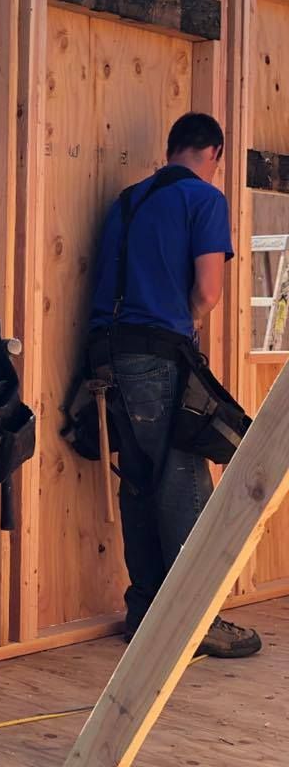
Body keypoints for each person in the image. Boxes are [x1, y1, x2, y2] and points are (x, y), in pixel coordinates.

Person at [86, 112, 261, 659]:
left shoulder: (129, 200)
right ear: (214, 152)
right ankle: (194, 620)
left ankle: (146, 612)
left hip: (106, 355)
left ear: (171, 148)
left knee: (139, 480)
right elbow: (207, 291)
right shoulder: (204, 199)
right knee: (185, 478)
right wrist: (190, 319)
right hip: (159, 355)